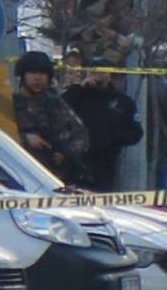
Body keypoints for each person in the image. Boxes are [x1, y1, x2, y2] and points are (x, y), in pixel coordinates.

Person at [60, 66, 143, 194]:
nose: (97, 74)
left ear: (110, 73)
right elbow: (59, 110)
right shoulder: (77, 94)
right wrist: (79, 88)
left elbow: (136, 133)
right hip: (74, 163)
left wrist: (111, 140)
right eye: (93, 70)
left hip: (105, 164)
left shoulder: (122, 101)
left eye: (101, 70)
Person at [12, 51, 90, 184]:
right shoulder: (11, 103)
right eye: (32, 73)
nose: (37, 78)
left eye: (42, 74)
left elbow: (81, 136)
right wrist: (25, 138)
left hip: (54, 176)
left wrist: (64, 153)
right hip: (19, 172)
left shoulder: (56, 104)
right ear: (23, 76)